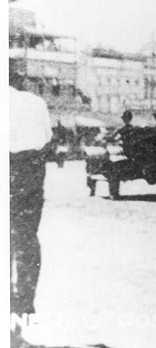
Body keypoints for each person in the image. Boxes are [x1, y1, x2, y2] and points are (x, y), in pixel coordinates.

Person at [9, 75, 54, 332]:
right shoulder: (35, 102)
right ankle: (23, 309)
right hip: (29, 172)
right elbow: (46, 138)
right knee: (26, 240)